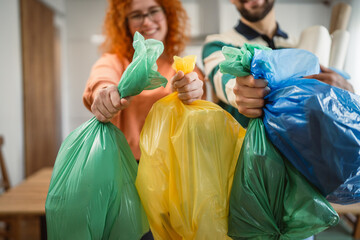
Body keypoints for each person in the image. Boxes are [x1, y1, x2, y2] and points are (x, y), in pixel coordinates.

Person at [83, 0, 205, 162]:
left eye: (154, 11)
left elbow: (196, 87)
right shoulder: (115, 62)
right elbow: (101, 78)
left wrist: (190, 89)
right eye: (136, 15)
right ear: (124, 23)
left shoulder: (181, 65)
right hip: (124, 164)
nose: (147, 22)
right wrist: (104, 92)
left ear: (167, 14)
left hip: (172, 164)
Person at [202, 0, 354, 127]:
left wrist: (348, 93)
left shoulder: (300, 47)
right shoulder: (218, 44)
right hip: (245, 157)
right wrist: (238, 90)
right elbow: (223, 78)